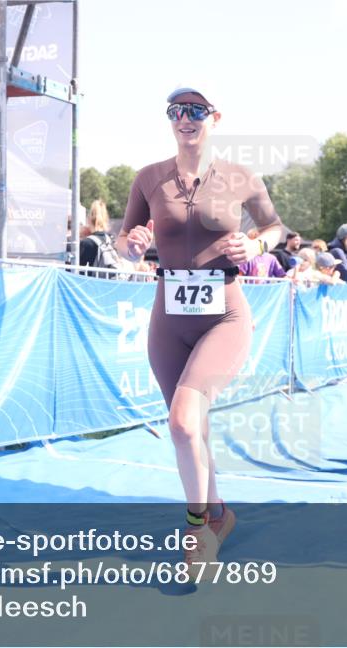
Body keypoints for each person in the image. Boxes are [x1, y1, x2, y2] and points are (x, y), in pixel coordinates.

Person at [115, 85, 283, 581]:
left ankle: (197, 532)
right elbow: (122, 240)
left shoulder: (240, 177)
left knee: (184, 423)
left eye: (195, 110)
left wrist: (253, 245)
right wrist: (133, 244)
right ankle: (219, 514)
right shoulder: (148, 178)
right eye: (175, 111)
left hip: (224, 315)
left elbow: (275, 228)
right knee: (193, 427)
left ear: (215, 117)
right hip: (168, 317)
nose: (184, 118)